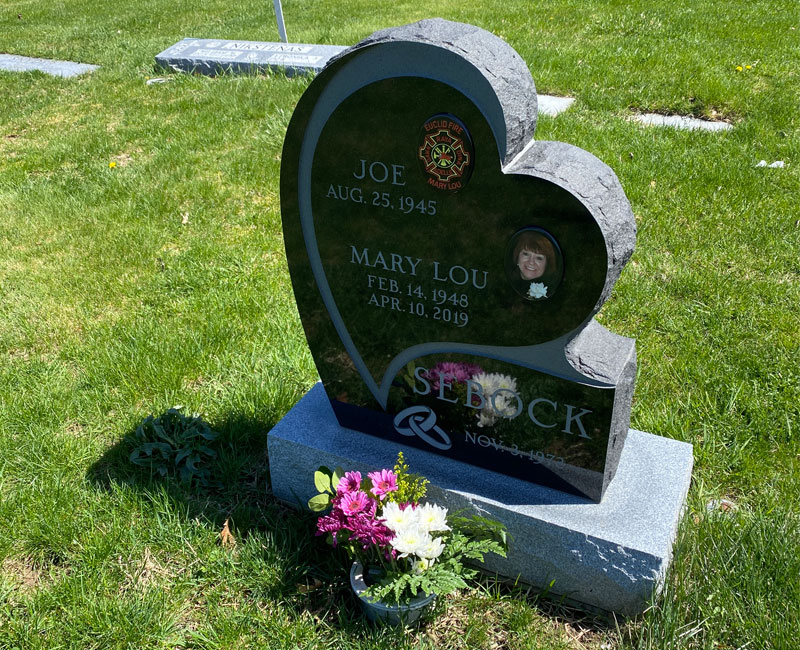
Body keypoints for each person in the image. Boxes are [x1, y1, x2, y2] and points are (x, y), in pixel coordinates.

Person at [508, 230, 561, 300]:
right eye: (526, 254)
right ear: (517, 256)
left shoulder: (554, 293)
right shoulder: (505, 283)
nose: (531, 262)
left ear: (547, 264)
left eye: (539, 258)